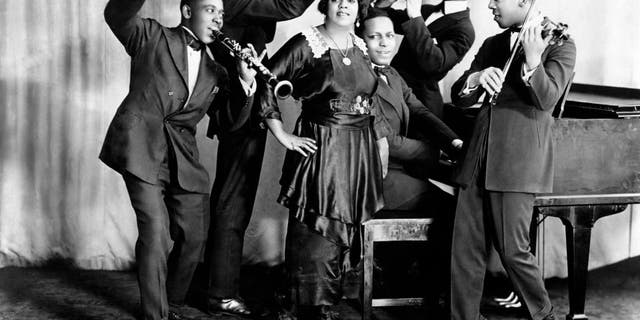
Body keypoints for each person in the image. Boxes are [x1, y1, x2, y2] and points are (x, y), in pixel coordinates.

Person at [99, 0, 257, 319]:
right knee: (156, 233)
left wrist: (245, 81)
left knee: (195, 235)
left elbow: (230, 123)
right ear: (187, 10)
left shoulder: (218, 69)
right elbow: (116, 14)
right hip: (140, 147)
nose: (218, 18)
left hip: (182, 156)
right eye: (210, 9)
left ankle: (171, 303)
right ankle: (155, 315)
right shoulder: (150, 36)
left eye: (221, 13)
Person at [448, 0, 576, 319]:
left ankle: (543, 314)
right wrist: (475, 79)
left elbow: (547, 99)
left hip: (517, 160)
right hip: (477, 154)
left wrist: (533, 60)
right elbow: (458, 96)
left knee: (512, 250)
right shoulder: (493, 43)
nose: (490, 4)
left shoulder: (560, 43)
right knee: (464, 252)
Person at [259, 0, 381, 318]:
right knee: (317, 229)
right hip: (324, 149)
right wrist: (283, 134)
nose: (344, 4)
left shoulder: (363, 46)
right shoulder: (306, 43)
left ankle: (330, 301)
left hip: (358, 154)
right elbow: (266, 80)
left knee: (346, 229)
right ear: (325, 4)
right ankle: (311, 306)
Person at [200, 0, 316, 316]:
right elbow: (290, 5)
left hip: (247, 90)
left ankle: (214, 283)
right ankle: (218, 293)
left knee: (236, 197)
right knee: (233, 199)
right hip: (237, 97)